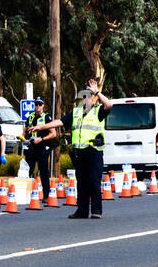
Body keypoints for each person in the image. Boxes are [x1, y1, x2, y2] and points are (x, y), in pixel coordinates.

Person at [40, 78, 113, 219]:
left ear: (94, 98)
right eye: (84, 96)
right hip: (79, 152)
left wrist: (97, 91)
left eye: (88, 95)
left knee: (94, 181)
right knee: (82, 182)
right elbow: (60, 122)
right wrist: (42, 127)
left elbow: (109, 104)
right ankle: (82, 210)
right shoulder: (76, 112)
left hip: (93, 151)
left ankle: (96, 211)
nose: (85, 98)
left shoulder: (98, 111)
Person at [23, 97, 56, 200]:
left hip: (43, 147)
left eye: (40, 104)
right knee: (27, 169)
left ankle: (46, 195)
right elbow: (24, 131)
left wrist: (41, 139)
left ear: (43, 106)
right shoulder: (30, 117)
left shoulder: (47, 118)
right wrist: (23, 139)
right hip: (32, 146)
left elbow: (53, 134)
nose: (38, 106)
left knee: (43, 171)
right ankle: (26, 193)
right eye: (36, 104)